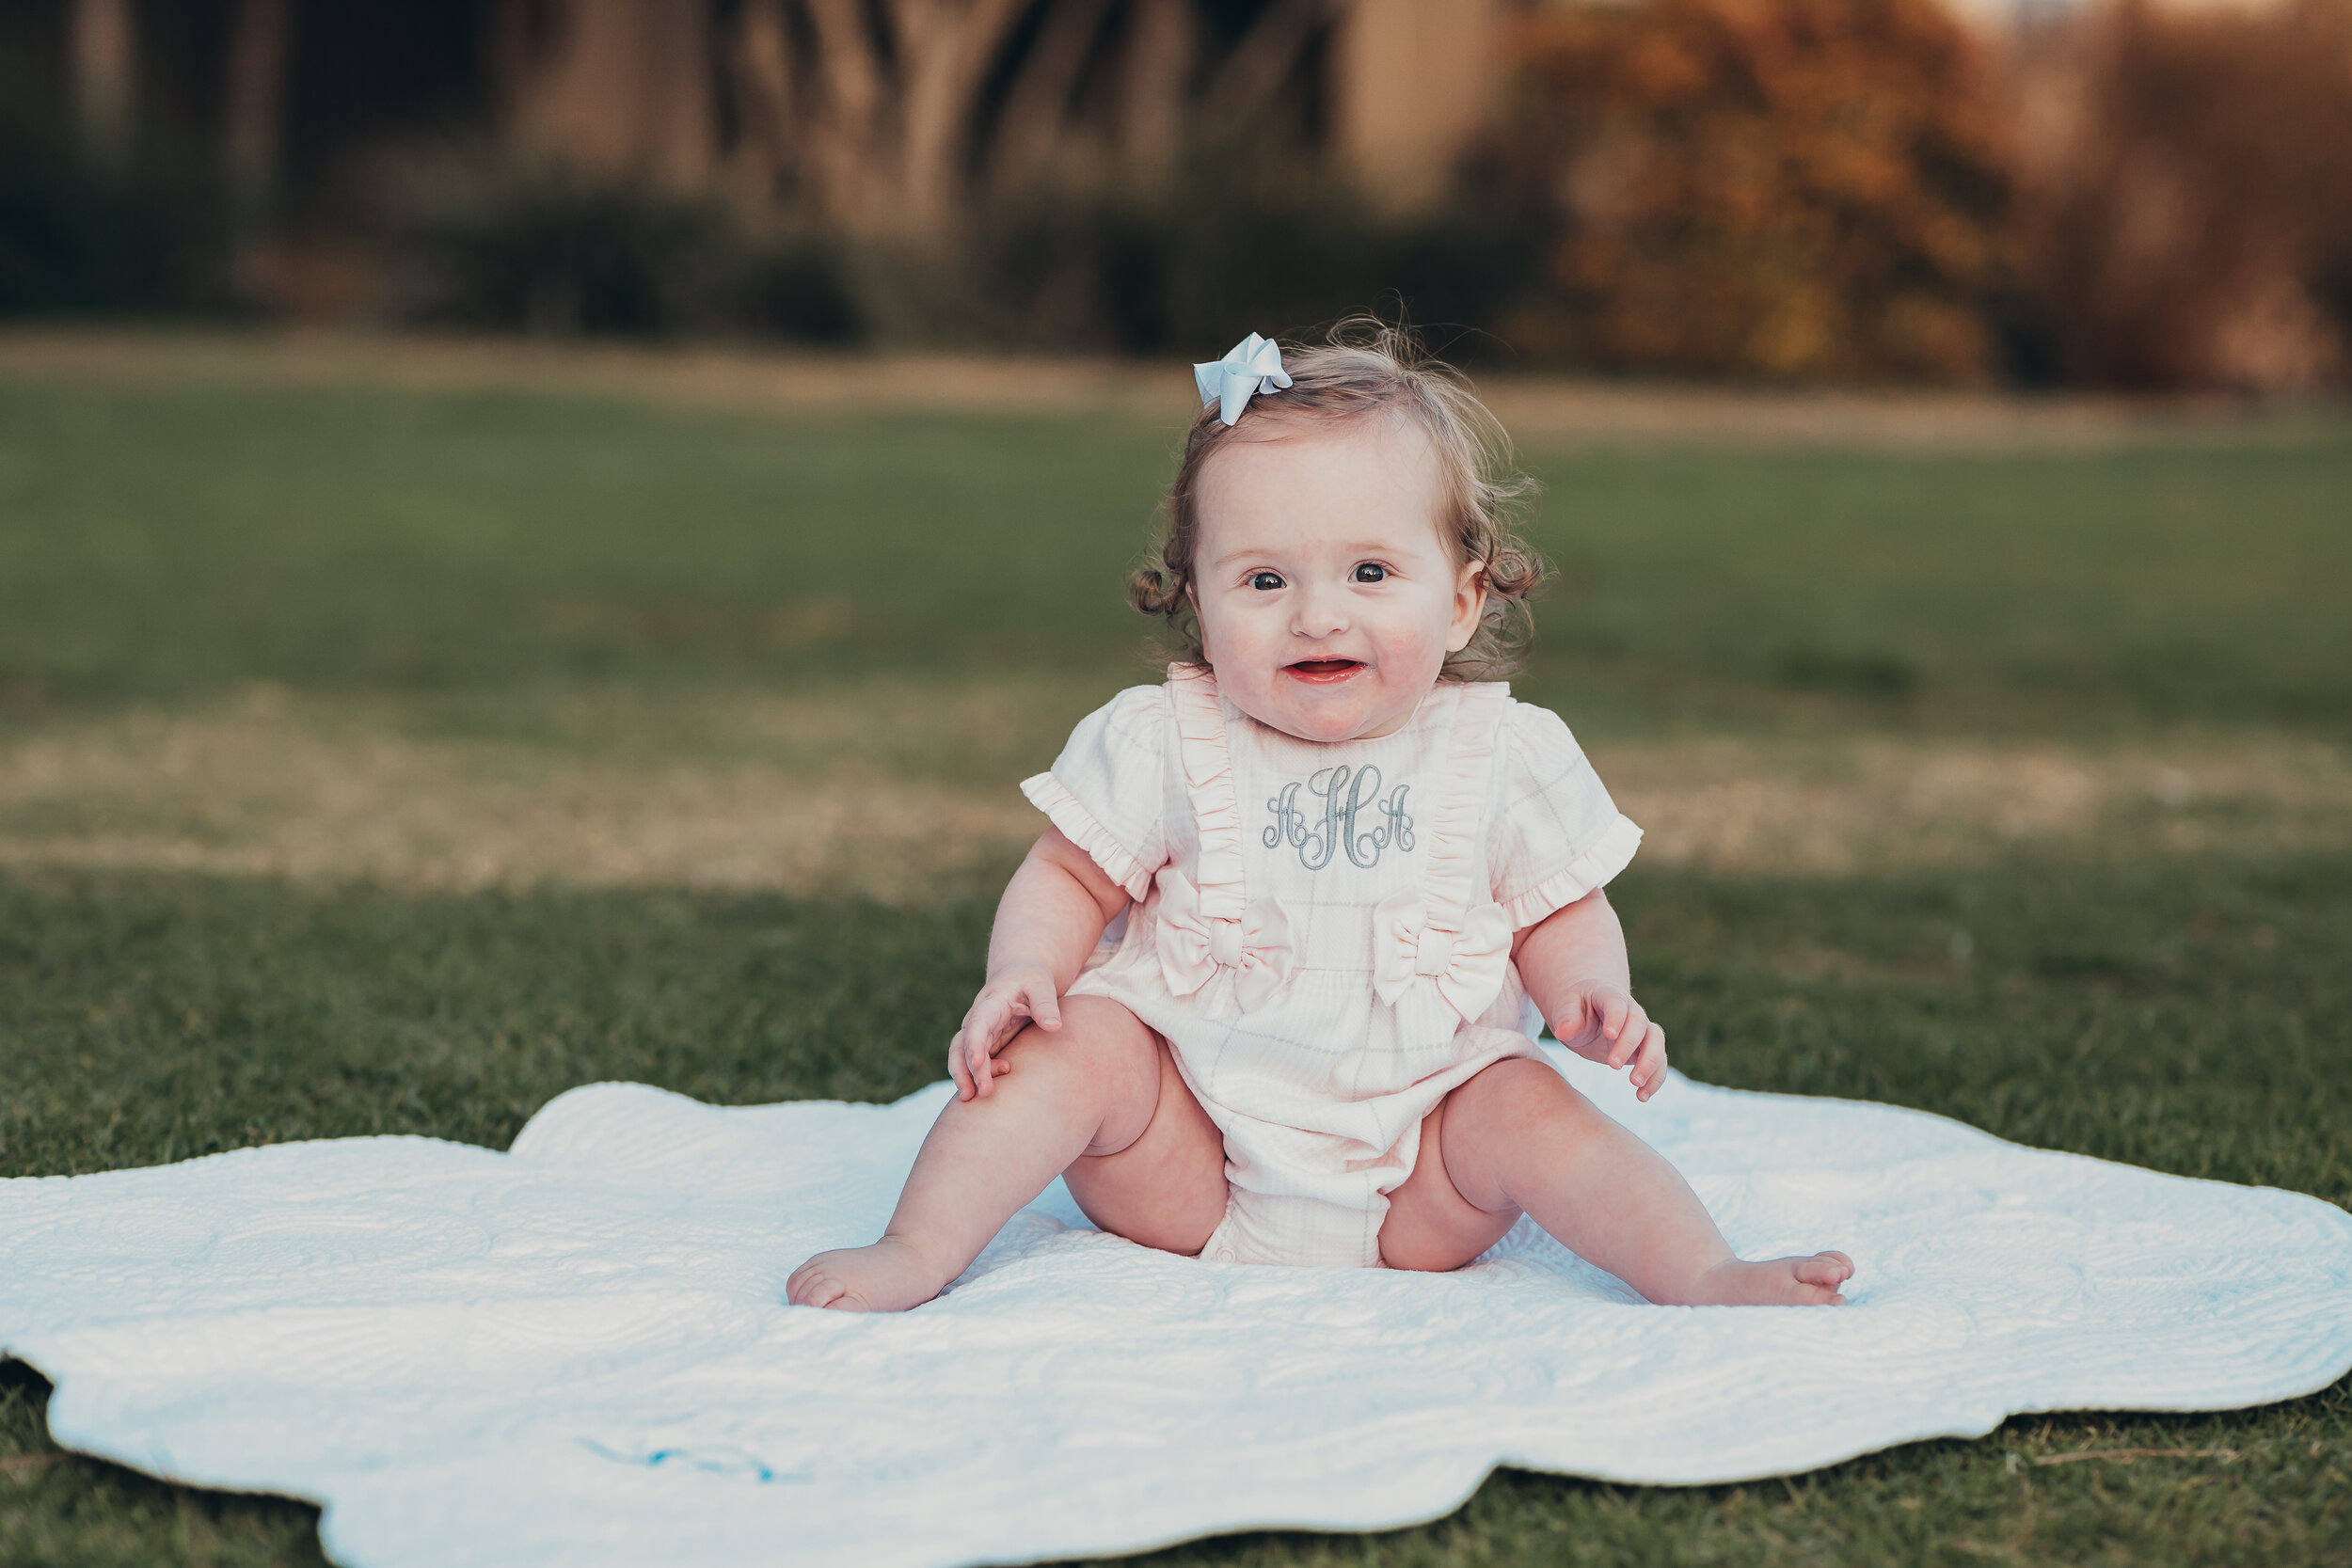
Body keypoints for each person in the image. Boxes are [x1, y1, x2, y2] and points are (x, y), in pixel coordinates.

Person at [789, 324, 1852, 1313]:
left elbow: (1556, 906)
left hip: (1424, 1170)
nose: (1318, 613)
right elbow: (1071, 875)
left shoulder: (1504, 753)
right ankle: (916, 1247)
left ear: (1462, 599)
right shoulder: (1163, 736)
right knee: (1076, 1046)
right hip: (1183, 1152)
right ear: (1198, 600)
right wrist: (1022, 969)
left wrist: (1590, 994)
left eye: (1370, 571)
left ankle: (1704, 1270)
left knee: (1527, 1106)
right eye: (1263, 578)